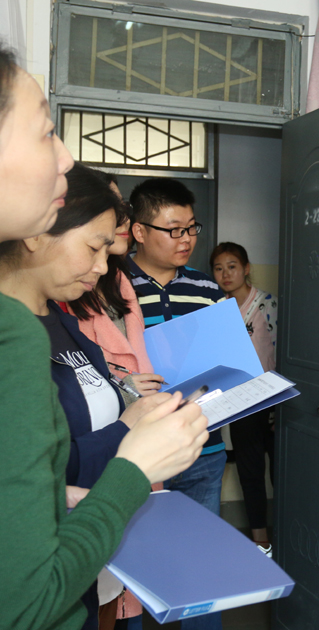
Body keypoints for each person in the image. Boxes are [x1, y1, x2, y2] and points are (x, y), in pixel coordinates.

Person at [0, 45, 208, 630]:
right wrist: (131, 464)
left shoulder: (56, 319)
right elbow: (29, 600)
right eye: (45, 132)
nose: (65, 157)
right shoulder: (16, 335)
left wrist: (60, 498)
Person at [0, 161, 175, 630]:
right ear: (39, 231)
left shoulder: (62, 321)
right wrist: (129, 442)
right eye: (94, 247)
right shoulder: (13, 338)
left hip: (81, 554)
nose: (103, 266)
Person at [126, 177, 225, 630]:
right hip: (139, 452)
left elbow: (224, 359)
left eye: (191, 228)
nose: (186, 239)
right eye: (173, 230)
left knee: (201, 564)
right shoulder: (113, 285)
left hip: (202, 447)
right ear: (139, 230)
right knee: (133, 568)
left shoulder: (206, 288)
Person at [67, 170, 163, 405]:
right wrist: (125, 389)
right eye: (112, 207)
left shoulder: (119, 280)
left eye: (124, 207)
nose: (124, 219)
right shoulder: (66, 286)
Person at [210, 242, 277, 556]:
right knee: (250, 472)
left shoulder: (267, 304)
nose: (225, 274)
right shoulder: (216, 310)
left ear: (246, 268)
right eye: (218, 268)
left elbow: (281, 350)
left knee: (281, 470)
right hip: (240, 402)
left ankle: (286, 529)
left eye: (232, 266)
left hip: (274, 398)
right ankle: (260, 541)